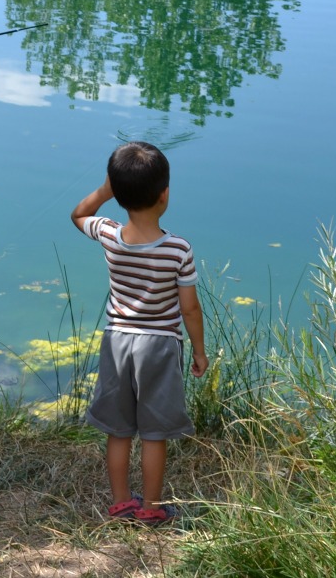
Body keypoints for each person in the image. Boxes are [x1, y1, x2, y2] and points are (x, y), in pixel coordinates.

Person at [70, 141, 207, 526]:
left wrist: (105, 189)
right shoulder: (178, 249)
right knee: (153, 433)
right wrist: (199, 350)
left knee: (118, 429)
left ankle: (120, 503)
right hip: (160, 346)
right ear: (164, 195)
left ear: (118, 194)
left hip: (116, 341)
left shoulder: (110, 235)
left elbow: (79, 214)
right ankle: (149, 507)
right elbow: (190, 308)